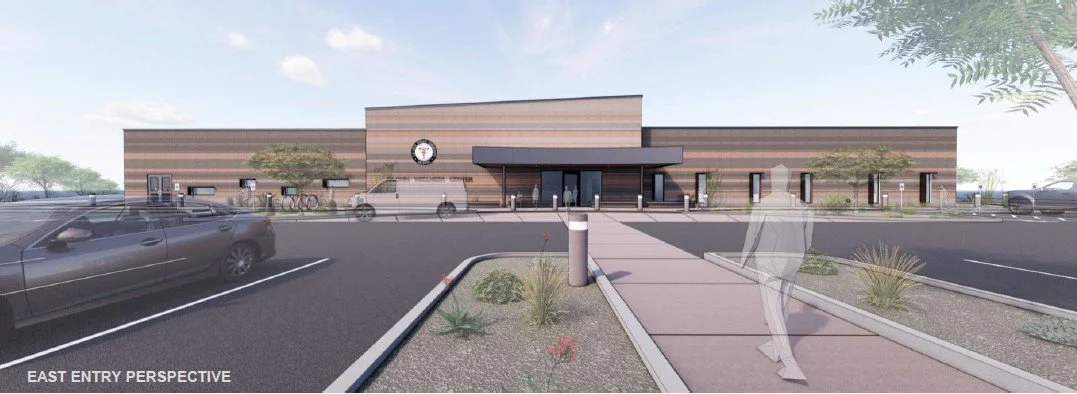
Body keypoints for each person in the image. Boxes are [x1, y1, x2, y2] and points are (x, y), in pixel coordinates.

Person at [739, 164, 814, 381]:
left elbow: (752, 234)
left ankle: (790, 362)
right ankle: (775, 347)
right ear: (788, 180)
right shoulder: (801, 205)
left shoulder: (764, 203)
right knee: (783, 304)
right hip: (794, 259)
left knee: (772, 308)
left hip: (770, 260)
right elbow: (808, 239)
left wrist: (744, 259)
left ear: (773, 180)